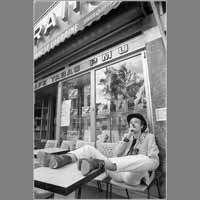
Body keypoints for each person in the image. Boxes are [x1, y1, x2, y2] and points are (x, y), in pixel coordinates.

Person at [37, 113, 159, 186]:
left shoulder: (149, 137)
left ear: (142, 126)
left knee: (144, 158)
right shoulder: (127, 139)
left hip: (133, 175)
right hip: (115, 170)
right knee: (88, 149)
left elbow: (154, 162)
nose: (132, 125)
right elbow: (116, 153)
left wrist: (139, 159)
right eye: (130, 123)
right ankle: (61, 159)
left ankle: (99, 164)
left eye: (135, 123)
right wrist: (126, 139)